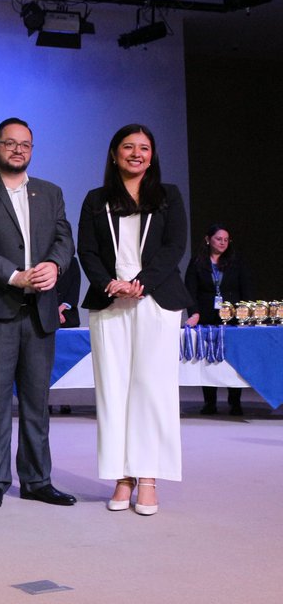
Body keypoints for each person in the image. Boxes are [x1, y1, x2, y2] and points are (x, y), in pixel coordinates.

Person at [0, 118, 77, 510]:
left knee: (35, 401)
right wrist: (13, 275)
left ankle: (37, 479)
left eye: (24, 144)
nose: (17, 150)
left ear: (32, 150)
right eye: (9, 143)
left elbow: (64, 239)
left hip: (41, 311)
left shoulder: (50, 192)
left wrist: (54, 266)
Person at [77, 123, 190, 517]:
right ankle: (121, 477)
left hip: (156, 301)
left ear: (152, 155)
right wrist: (111, 283)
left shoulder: (168, 197)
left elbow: (175, 245)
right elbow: (86, 251)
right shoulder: (96, 199)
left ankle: (148, 477)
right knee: (114, 389)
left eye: (144, 148)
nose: (136, 153)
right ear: (113, 154)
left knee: (152, 387)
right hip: (110, 302)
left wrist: (140, 284)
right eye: (128, 147)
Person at [185, 224, 252, 416]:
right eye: (218, 239)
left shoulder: (236, 261)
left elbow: (245, 288)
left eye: (226, 239)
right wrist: (194, 312)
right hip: (206, 316)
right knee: (209, 358)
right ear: (208, 239)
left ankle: (235, 402)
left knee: (233, 359)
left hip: (232, 316)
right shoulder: (198, 262)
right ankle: (209, 402)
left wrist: (245, 314)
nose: (222, 243)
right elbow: (190, 289)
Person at [57, 257, 82, 329]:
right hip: (45, 318)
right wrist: (54, 311)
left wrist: (60, 309)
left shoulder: (72, 261)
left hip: (69, 318)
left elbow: (75, 288)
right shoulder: (41, 260)